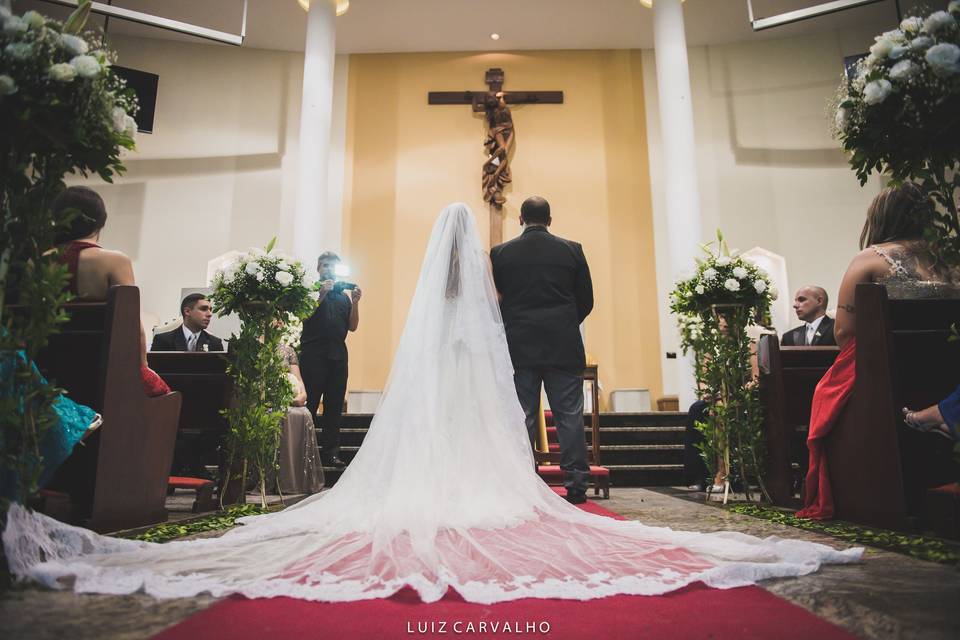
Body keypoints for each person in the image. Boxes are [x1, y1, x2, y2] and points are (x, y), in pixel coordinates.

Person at [4, 203, 862, 603]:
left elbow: (471, 332)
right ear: (546, 217)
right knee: (538, 417)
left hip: (501, 353)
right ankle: (555, 481)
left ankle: (504, 473)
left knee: (511, 411)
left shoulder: (491, 265)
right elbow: (586, 297)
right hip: (548, 346)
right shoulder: (552, 255)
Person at [798, 184, 957, 520]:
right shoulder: (949, 258)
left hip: (889, 367)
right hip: (948, 367)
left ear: (880, 217)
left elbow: (843, 331)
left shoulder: (871, 258)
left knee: (825, 394)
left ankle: (859, 488)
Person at [490, 196, 594, 504]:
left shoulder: (501, 253)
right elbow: (586, 299)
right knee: (569, 416)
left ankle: (524, 479)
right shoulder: (572, 250)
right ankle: (576, 482)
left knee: (522, 415)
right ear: (550, 220)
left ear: (520, 220)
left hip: (519, 345)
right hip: (563, 344)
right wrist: (564, 322)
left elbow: (498, 301)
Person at [53, 186, 169, 396]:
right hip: (102, 373)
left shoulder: (36, 262)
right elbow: (131, 323)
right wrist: (143, 367)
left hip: (48, 371)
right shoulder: (115, 261)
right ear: (101, 221)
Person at [298, 251, 361, 468]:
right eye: (324, 265)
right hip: (313, 354)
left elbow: (352, 326)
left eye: (332, 266)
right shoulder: (308, 292)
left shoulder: (343, 296)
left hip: (338, 355)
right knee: (311, 404)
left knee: (334, 407)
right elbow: (303, 316)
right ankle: (304, 454)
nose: (328, 269)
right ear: (318, 268)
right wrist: (321, 295)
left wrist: (355, 303)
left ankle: (331, 454)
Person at [274, 342, 324, 494]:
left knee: (303, 413)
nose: (280, 321)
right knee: (284, 414)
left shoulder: (287, 350)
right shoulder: (255, 348)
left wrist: (302, 395)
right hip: (270, 401)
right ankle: (276, 477)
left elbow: (298, 380)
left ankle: (298, 477)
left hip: (289, 399)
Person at [151, 294, 225, 352]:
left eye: (210, 310)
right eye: (203, 309)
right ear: (187, 311)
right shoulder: (163, 340)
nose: (210, 314)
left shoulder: (215, 343)